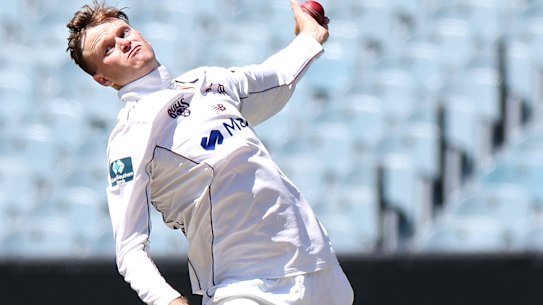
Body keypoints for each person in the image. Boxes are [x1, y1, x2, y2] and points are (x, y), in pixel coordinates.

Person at [66, 1, 354, 305]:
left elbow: (279, 77)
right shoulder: (130, 135)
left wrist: (309, 36)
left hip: (318, 267)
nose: (123, 43)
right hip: (245, 286)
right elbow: (129, 250)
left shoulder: (207, 82)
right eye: (108, 49)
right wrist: (167, 300)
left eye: (124, 32)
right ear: (103, 79)